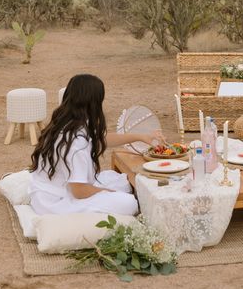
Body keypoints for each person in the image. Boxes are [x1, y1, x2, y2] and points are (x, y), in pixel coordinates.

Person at [29, 73, 165, 217]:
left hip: (55, 188)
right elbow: (79, 191)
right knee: (128, 203)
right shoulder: (76, 143)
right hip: (57, 201)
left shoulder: (69, 120)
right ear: (93, 102)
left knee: (121, 180)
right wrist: (110, 193)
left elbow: (101, 140)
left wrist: (141, 137)